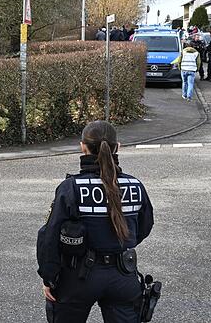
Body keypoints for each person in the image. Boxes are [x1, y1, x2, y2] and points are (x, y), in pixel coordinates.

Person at [37, 121, 154, 322]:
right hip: (123, 275)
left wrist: (49, 276)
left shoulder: (71, 187)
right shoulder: (135, 185)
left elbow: (49, 236)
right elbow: (144, 227)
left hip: (78, 277)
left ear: (83, 147)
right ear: (118, 147)